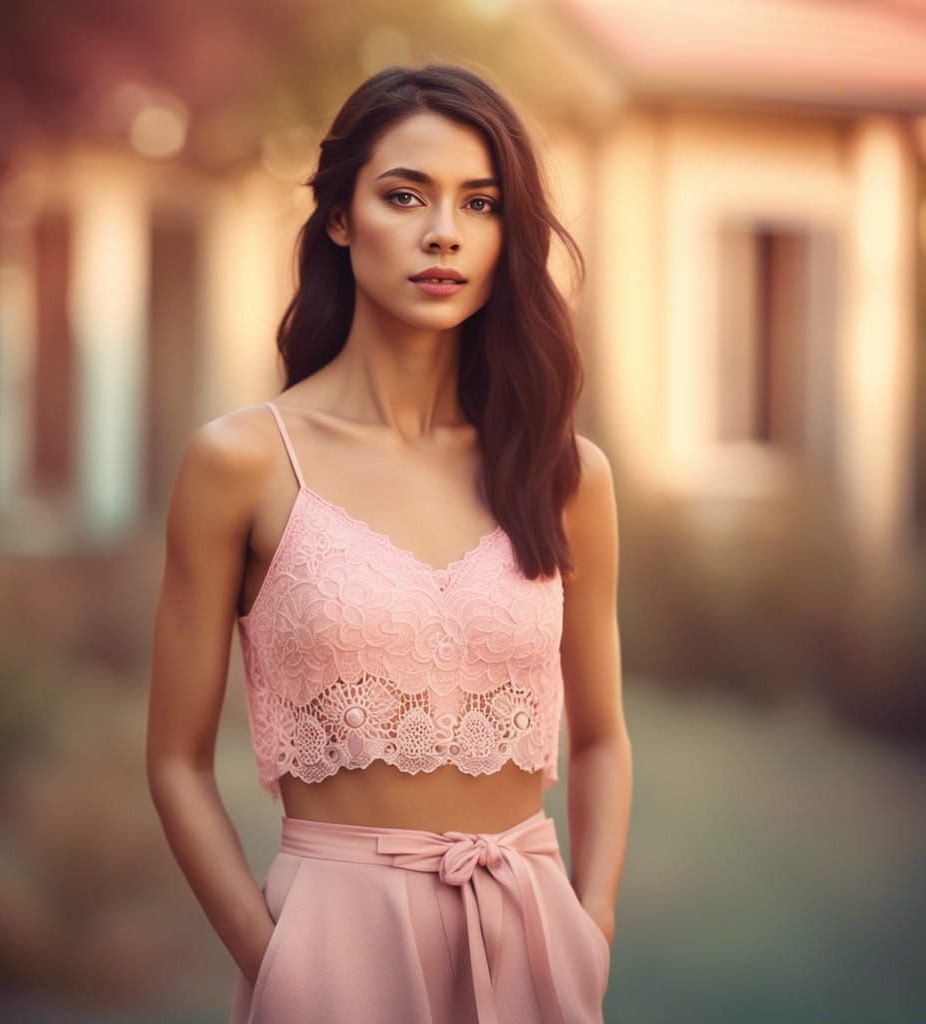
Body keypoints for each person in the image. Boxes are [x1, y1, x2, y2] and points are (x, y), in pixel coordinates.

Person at [146, 62, 632, 1024]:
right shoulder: (242, 463)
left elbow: (603, 736)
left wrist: (592, 926)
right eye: (404, 194)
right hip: (333, 947)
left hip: (531, 933)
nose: (443, 231)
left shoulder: (566, 473)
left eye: (480, 202)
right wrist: (277, 959)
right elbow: (173, 762)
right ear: (339, 217)